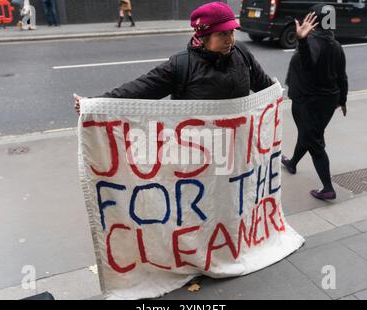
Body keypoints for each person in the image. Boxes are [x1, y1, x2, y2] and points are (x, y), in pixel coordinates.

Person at [76, 1, 273, 112]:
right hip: (198, 156)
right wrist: (93, 104)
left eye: (231, 32)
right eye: (222, 34)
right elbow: (139, 90)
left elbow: (265, 87)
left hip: (237, 153)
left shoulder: (242, 53)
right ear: (203, 37)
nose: (230, 39)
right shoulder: (181, 65)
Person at [282, 4, 348, 200]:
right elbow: (342, 77)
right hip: (328, 102)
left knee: (314, 142)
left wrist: (302, 41)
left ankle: (328, 188)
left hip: (308, 102)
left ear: (313, 20)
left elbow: (308, 66)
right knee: (309, 134)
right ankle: (293, 163)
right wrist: (343, 100)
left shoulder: (312, 42)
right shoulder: (335, 45)